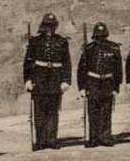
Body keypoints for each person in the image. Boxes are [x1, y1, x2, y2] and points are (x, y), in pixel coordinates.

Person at [24, 13, 71, 150]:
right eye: (47, 26)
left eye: (52, 26)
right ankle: (40, 140)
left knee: (52, 111)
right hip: (39, 78)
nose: (50, 29)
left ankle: (51, 140)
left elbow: (66, 63)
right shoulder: (35, 42)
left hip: (55, 78)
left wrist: (65, 80)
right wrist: (28, 79)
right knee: (39, 111)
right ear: (43, 26)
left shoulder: (62, 42)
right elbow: (28, 62)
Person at [76, 22, 123, 147]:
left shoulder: (114, 48)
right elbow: (82, 69)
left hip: (108, 82)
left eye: (103, 36)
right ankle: (94, 137)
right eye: (99, 36)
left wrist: (116, 86)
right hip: (93, 82)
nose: (101, 39)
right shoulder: (89, 49)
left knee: (106, 110)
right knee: (93, 111)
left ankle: (105, 136)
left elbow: (118, 68)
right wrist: (82, 87)